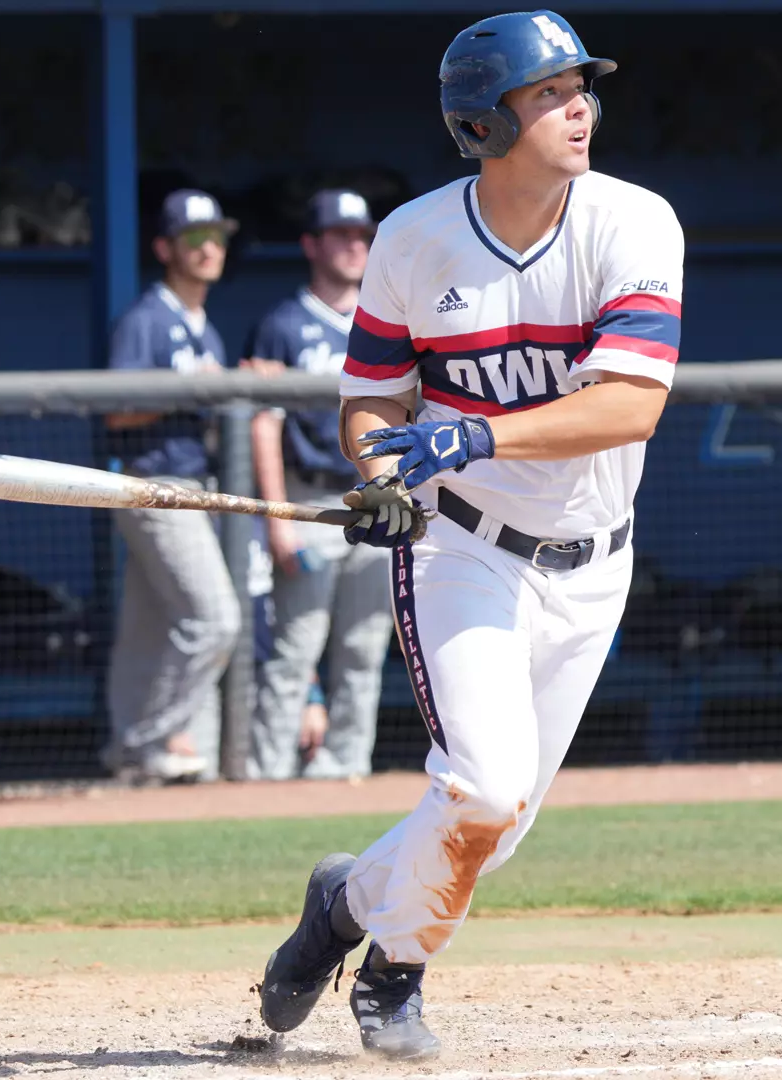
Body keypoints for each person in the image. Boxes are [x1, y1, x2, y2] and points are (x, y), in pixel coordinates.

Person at [258, 9, 681, 1061]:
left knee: (495, 825)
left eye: (581, 87)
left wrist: (475, 433)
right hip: (463, 550)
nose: (579, 107)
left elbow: (629, 405)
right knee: (482, 787)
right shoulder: (412, 239)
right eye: (548, 94)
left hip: (595, 556)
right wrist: (381, 472)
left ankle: (343, 904)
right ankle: (394, 975)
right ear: (485, 125)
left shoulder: (634, 223)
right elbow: (370, 402)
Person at [245, 190, 393, 782]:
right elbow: (263, 424)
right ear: (311, 244)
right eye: (341, 234)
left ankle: (343, 768)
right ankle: (270, 774)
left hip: (376, 495)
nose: (355, 244)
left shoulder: (389, 318)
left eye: (362, 234)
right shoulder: (283, 324)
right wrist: (277, 515)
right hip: (309, 499)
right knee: (297, 648)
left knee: (363, 648)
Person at [101, 189, 242, 784]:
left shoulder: (202, 325)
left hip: (190, 482)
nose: (209, 248)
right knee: (215, 619)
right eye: (193, 238)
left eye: (216, 236)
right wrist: (191, 387)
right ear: (165, 248)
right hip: (153, 482)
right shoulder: (148, 317)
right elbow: (115, 410)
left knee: (150, 627)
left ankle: (129, 749)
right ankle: (151, 738)